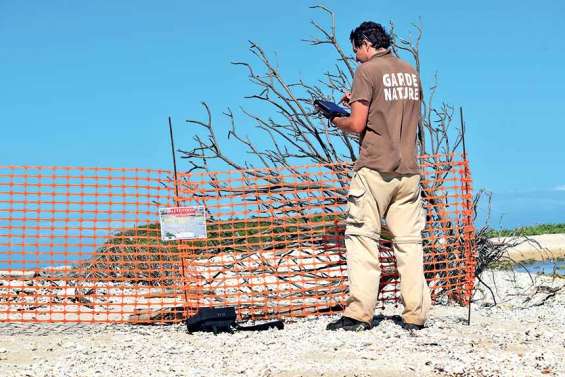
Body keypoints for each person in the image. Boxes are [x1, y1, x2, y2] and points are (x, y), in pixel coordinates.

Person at [326, 21, 431, 331]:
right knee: (410, 243)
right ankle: (416, 314)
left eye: (356, 50)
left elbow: (358, 125)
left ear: (366, 45)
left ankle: (359, 314)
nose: (356, 57)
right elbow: (397, 108)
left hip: (374, 169)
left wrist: (336, 119)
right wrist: (359, 99)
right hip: (409, 170)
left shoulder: (366, 71)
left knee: (361, 239)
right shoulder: (410, 71)